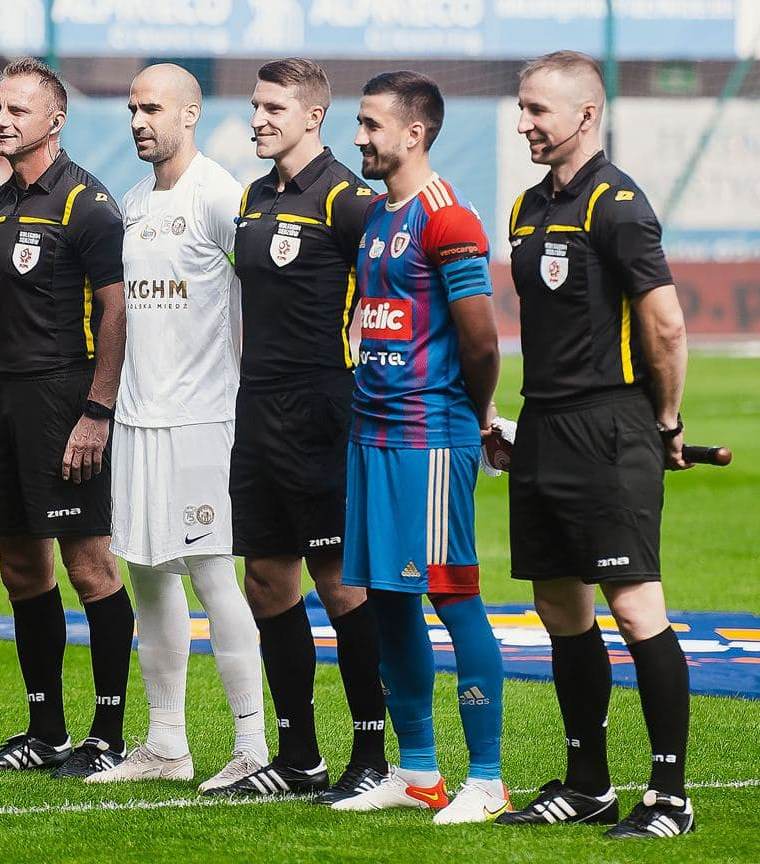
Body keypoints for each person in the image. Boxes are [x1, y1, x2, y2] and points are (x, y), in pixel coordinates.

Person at [493, 50, 694, 839]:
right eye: (521, 107)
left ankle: (670, 796)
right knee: (558, 608)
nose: (523, 123)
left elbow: (665, 324)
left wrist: (665, 421)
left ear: (586, 114)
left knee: (636, 609)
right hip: (542, 425)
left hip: (610, 427)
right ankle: (588, 786)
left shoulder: (619, 204)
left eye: (538, 110)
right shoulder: (526, 208)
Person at [203, 58, 389, 803]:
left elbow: (397, 297)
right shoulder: (253, 198)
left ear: (313, 116)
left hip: (324, 412)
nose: (258, 119)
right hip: (258, 412)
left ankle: (371, 755)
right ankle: (299, 756)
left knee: (339, 584)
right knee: (265, 580)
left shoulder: (347, 198)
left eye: (273, 108)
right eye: (255, 106)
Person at [83, 63, 268, 790]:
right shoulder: (132, 202)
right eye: (133, 109)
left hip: (203, 420)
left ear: (190, 114)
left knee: (215, 577)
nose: (138, 121)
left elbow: (265, 294)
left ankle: (252, 745)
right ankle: (166, 745)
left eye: (153, 109)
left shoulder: (220, 195)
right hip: (138, 420)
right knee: (151, 577)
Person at [330, 71, 508, 824]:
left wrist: (478, 412)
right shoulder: (378, 215)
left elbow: (482, 339)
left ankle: (488, 779)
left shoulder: (448, 217)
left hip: (428, 437)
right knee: (389, 598)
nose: (359, 138)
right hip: (371, 433)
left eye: (371, 125)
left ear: (414, 133)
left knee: (452, 595)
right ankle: (418, 771)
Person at [0, 57, 135, 780]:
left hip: (64, 402)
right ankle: (45, 732)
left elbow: (117, 312)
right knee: (20, 569)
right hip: (4, 404)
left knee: (89, 567)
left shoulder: (86, 204)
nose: (1, 120)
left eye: (17, 111)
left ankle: (108, 735)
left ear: (54, 122)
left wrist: (97, 412)